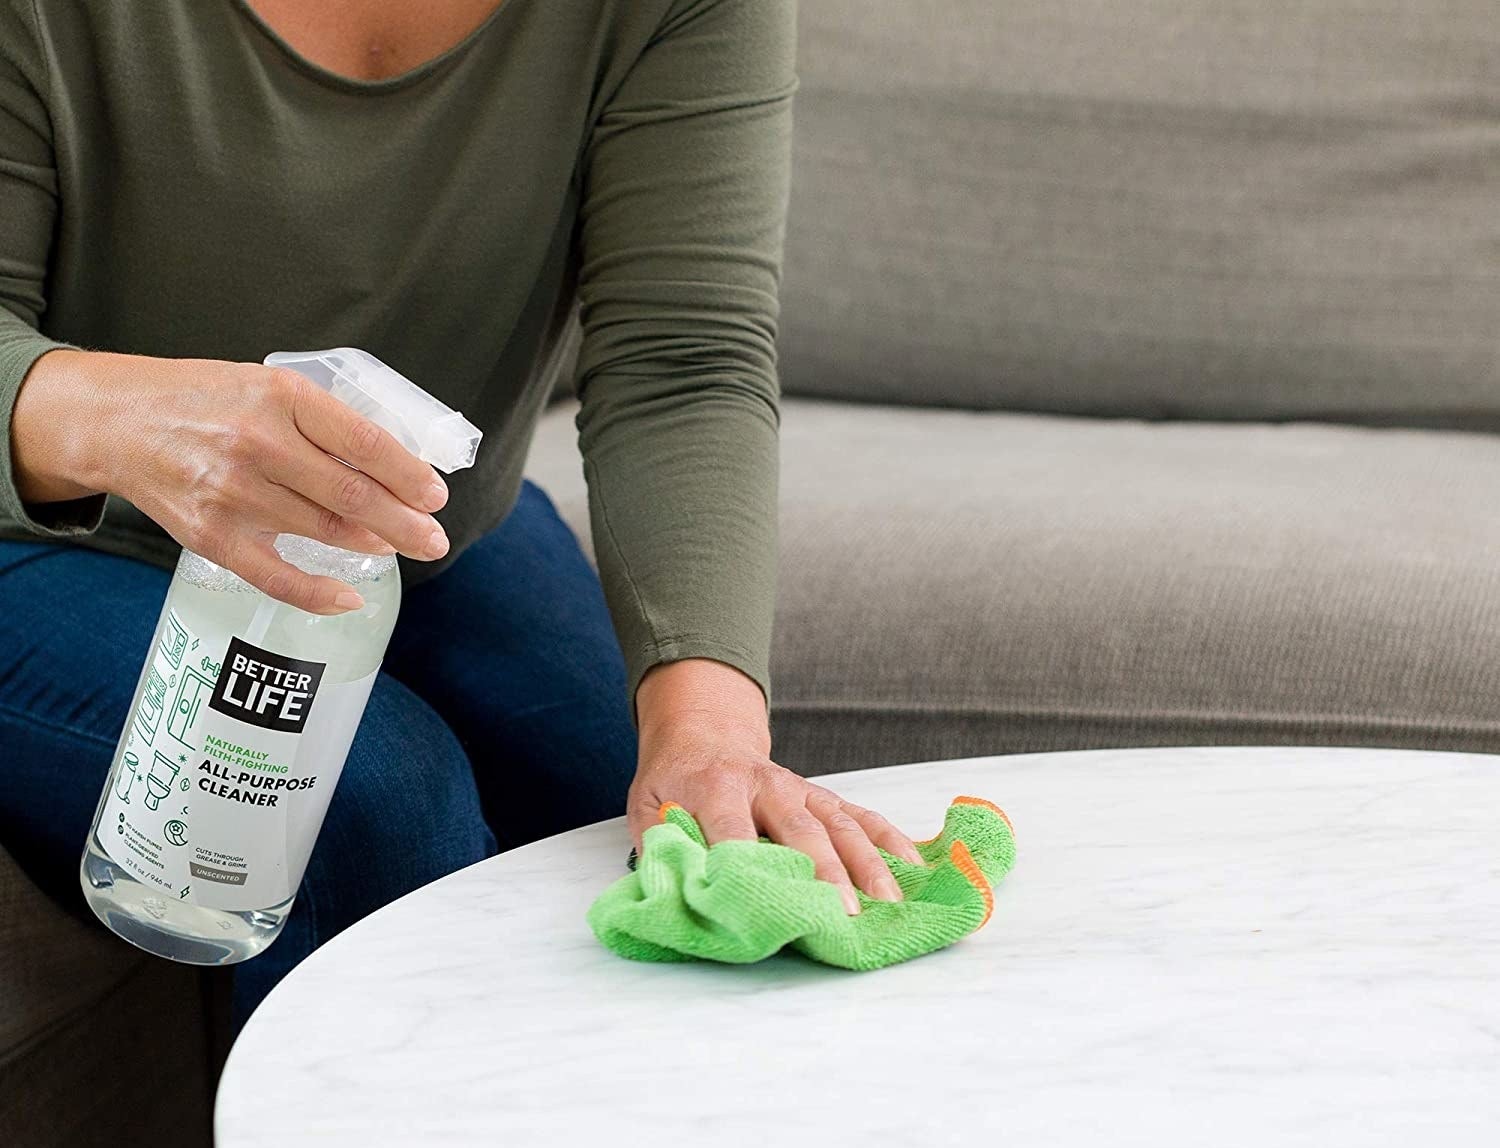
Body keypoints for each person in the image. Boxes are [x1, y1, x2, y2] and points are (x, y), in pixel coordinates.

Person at [0, 0, 921, 1026]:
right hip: (41, 541)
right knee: (382, 801)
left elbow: (684, 361)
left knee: (683, 833)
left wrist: (708, 733)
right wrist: (122, 420)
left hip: (427, 541)